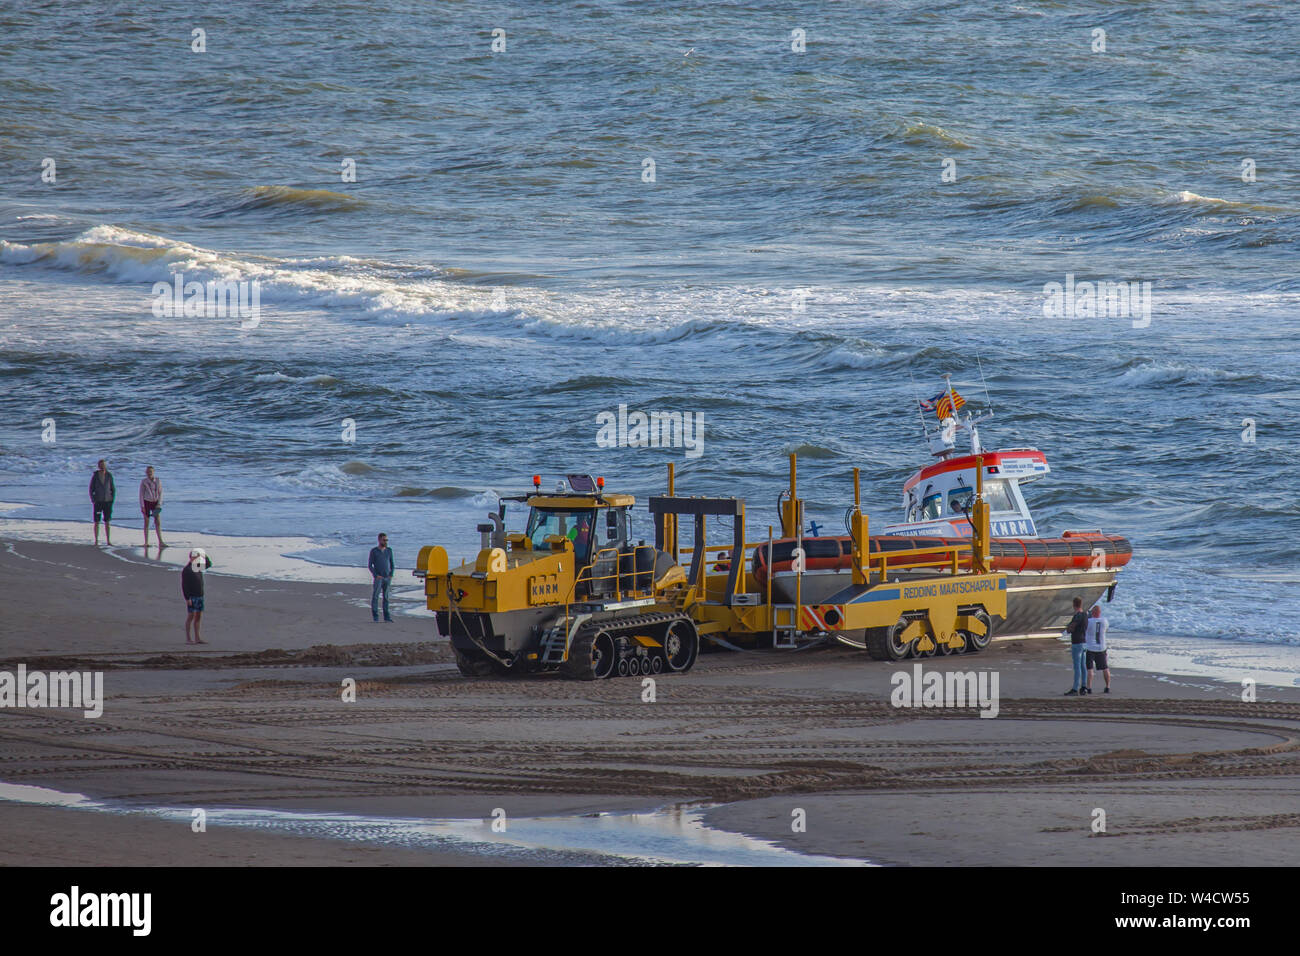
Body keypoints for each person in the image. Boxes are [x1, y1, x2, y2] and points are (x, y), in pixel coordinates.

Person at [182, 549, 212, 644]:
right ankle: (188, 638)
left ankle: (197, 638)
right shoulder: (187, 570)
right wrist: (187, 598)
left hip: (199, 595)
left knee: (198, 617)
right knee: (191, 616)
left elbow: (209, 564)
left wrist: (204, 555)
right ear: (191, 557)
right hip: (192, 597)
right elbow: (184, 585)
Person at [1063, 596, 1088, 696]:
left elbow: (1070, 629)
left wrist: (1068, 627)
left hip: (1077, 642)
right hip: (1084, 642)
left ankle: (1075, 688)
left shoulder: (1077, 616)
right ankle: (1084, 687)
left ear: (1074, 605)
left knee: (1077, 666)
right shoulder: (1086, 615)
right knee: (1083, 666)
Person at [1084, 604, 1111, 694]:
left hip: (1091, 648)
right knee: (1105, 668)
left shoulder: (1089, 621)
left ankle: (1089, 687)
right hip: (1101, 647)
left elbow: (1085, 630)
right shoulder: (1104, 621)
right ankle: (1107, 686)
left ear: (1093, 613)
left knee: (1090, 669)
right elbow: (1105, 629)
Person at [368, 533, 395, 623]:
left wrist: (391, 574)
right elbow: (370, 565)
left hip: (387, 577)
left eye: (386, 540)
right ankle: (375, 616)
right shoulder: (374, 551)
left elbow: (392, 564)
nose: (385, 541)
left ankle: (387, 617)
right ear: (379, 540)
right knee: (375, 596)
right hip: (379, 577)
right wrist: (376, 575)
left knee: (386, 597)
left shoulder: (389, 550)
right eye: (384, 540)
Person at [89, 459, 116, 546]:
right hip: (98, 502)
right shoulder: (95, 475)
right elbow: (91, 489)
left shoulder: (109, 475)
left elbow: (113, 489)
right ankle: (96, 541)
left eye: (103, 465)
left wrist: (112, 499)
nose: (102, 467)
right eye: (100, 465)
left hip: (107, 501)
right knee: (97, 521)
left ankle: (108, 541)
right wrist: (93, 500)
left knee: (107, 521)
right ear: (98, 466)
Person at [139, 466, 165, 550]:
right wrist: (142, 506)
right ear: (146, 473)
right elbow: (141, 495)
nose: (149, 473)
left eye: (151, 471)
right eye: (147, 472)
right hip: (146, 502)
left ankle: (160, 541)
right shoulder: (144, 482)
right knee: (146, 522)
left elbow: (161, 493)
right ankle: (146, 542)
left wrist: (159, 504)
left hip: (155, 503)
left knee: (158, 522)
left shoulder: (158, 480)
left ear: (153, 472)